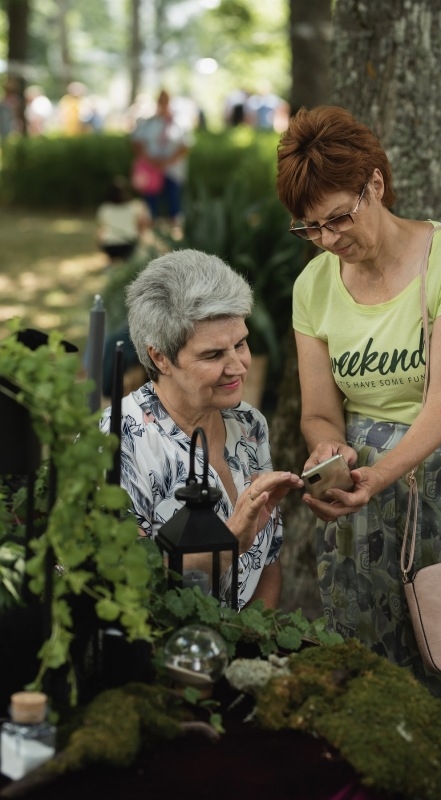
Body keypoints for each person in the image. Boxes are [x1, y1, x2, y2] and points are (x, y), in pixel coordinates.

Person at [276, 105, 441, 798]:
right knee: (384, 682)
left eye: (337, 217)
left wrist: (380, 475)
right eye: (310, 228)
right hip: (366, 510)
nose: (327, 239)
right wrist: (329, 449)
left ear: (376, 185)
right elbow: (321, 407)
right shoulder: (312, 288)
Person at [100, 249, 303, 610]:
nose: (239, 367)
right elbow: (122, 588)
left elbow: (268, 560)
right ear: (159, 356)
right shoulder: (119, 442)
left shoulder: (247, 422)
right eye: (212, 355)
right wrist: (229, 544)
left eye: (240, 344)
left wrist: (253, 645)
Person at [130, 89, 193, 233]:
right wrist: (151, 160)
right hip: (151, 169)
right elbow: (137, 143)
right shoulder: (148, 122)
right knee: (151, 199)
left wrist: (168, 161)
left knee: (173, 198)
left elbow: (185, 146)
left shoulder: (179, 122)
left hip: (173, 169)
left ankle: (175, 227)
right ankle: (152, 226)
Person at [95, 176, 151, 266]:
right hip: (128, 243)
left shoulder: (105, 208)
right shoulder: (135, 206)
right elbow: (142, 226)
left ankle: (111, 264)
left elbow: (102, 228)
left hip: (110, 245)